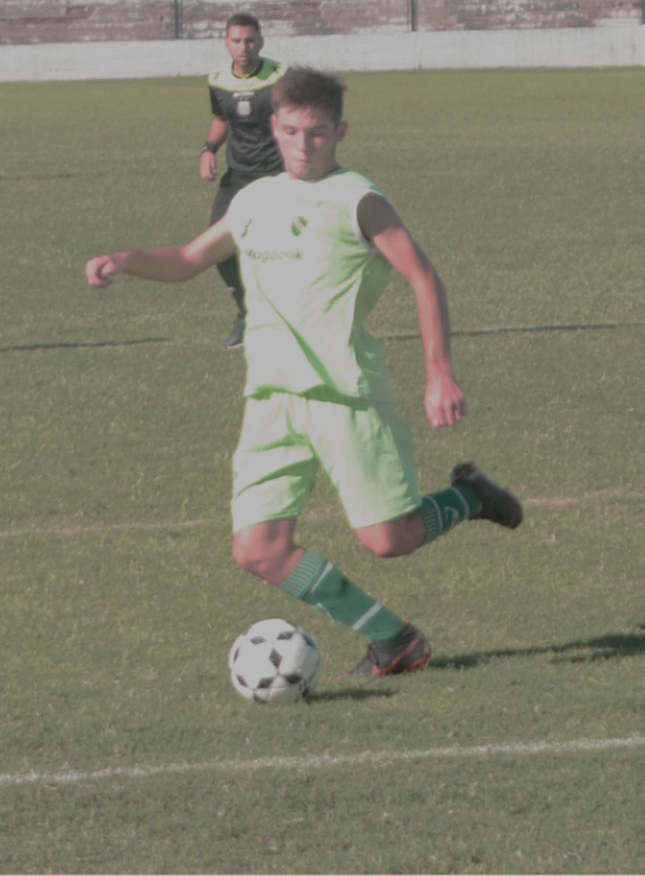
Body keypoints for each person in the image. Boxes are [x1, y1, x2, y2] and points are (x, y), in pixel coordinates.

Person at [86, 68, 523, 679]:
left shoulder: (359, 201)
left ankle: (469, 497)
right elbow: (189, 258)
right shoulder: (254, 199)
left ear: (339, 132)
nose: (303, 144)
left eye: (317, 133)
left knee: (388, 540)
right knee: (257, 549)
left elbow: (424, 277)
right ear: (274, 126)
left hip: (344, 395)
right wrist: (125, 260)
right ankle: (394, 640)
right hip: (270, 398)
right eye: (291, 131)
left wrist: (439, 375)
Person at [200, 13, 287, 350]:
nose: (244, 47)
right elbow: (221, 117)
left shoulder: (281, 76)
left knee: (283, 252)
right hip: (238, 177)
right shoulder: (218, 80)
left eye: (250, 40)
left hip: (279, 176)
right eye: (236, 41)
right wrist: (209, 149)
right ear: (226, 44)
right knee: (216, 247)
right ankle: (247, 312)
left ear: (261, 42)